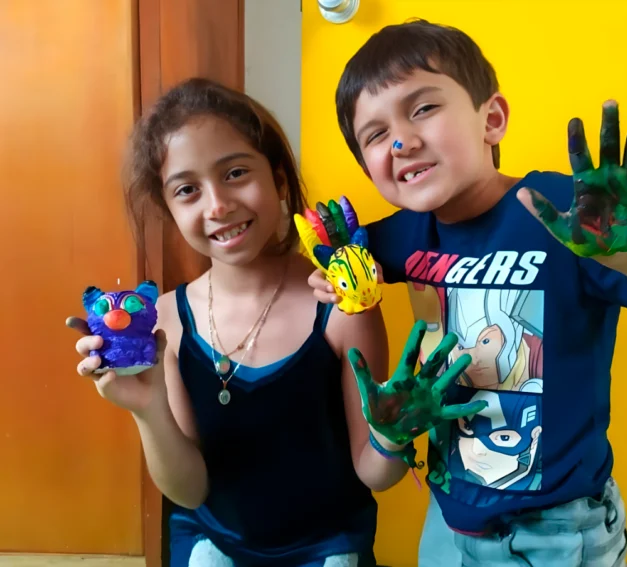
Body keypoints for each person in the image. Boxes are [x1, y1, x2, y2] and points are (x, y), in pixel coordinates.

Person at [309, 19, 627, 567]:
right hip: (447, 525)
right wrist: (328, 272)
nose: (401, 140)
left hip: (559, 533)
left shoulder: (567, 214)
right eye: (375, 134)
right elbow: (334, 269)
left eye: (423, 109)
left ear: (491, 119)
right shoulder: (400, 235)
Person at [65, 78, 419, 567]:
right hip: (213, 547)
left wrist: (397, 432)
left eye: (234, 173)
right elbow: (189, 490)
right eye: (187, 189)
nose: (217, 205)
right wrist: (147, 408)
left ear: (277, 180)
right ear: (169, 208)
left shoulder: (341, 305)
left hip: (329, 548)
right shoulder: (167, 319)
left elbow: (374, 473)